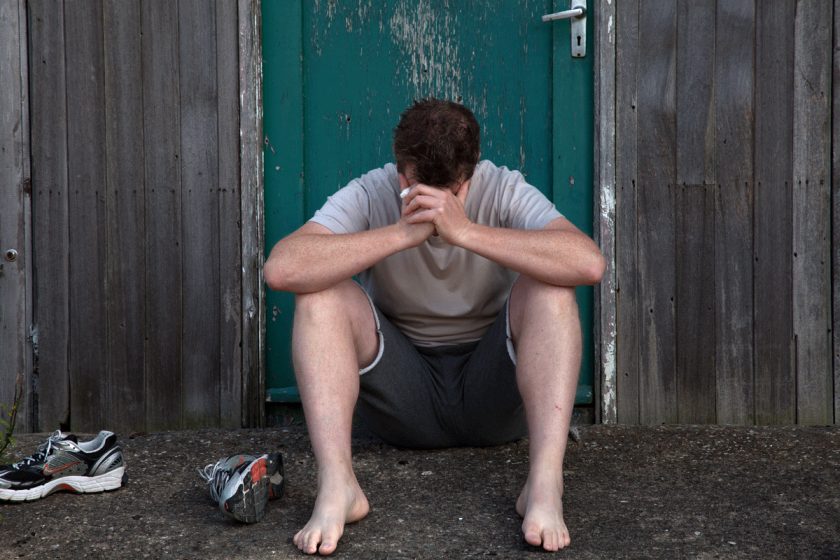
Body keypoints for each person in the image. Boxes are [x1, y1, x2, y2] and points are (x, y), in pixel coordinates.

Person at [264, 98, 605, 555]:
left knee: (552, 289)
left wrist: (465, 231)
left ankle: (544, 486)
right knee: (319, 295)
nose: (437, 207)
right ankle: (338, 486)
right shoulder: (373, 190)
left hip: (493, 392)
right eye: (417, 188)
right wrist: (402, 235)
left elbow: (587, 262)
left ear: (471, 174)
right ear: (401, 174)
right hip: (405, 395)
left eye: (455, 192)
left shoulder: (501, 188)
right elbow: (283, 268)